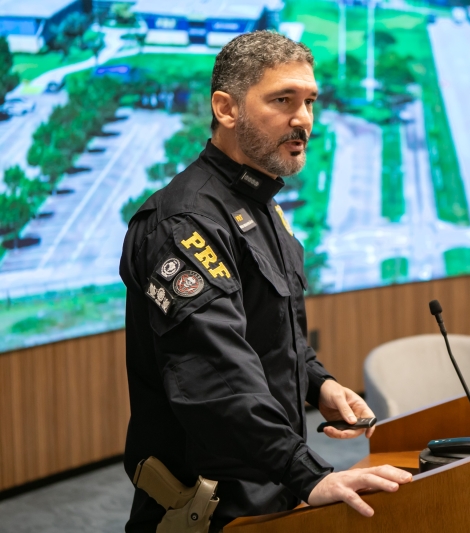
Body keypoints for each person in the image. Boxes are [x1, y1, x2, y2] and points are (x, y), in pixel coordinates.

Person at [119, 31, 410, 533]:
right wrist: (309, 474)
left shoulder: (260, 205)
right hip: (206, 509)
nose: (303, 119)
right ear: (226, 109)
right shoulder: (185, 223)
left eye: (310, 101)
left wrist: (320, 384)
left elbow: (267, 331)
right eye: (283, 100)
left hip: (267, 491)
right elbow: (216, 376)